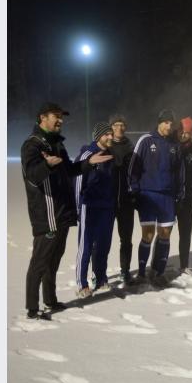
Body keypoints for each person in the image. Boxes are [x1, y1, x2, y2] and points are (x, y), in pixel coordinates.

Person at [21, 102, 112, 319]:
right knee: (40, 260)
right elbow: (32, 174)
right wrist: (47, 165)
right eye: (56, 115)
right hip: (47, 213)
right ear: (43, 117)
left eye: (62, 116)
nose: (60, 119)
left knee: (54, 259)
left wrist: (89, 162)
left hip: (62, 212)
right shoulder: (32, 145)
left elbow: (70, 169)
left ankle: (50, 300)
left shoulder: (57, 145)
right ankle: (32, 308)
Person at [127, 109, 184, 289]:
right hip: (148, 195)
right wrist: (135, 191)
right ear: (159, 123)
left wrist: (179, 192)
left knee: (165, 234)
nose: (169, 126)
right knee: (148, 234)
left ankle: (158, 272)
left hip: (167, 196)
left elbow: (179, 172)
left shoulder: (175, 145)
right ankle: (142, 273)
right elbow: (132, 168)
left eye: (171, 123)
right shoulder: (146, 140)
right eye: (165, 122)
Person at [73, 122, 116, 298]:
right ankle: (82, 283)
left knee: (103, 246)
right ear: (98, 136)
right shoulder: (87, 154)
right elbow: (77, 182)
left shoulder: (110, 155)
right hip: (89, 207)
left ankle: (100, 278)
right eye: (107, 134)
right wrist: (78, 208)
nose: (111, 137)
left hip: (107, 208)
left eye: (111, 134)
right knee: (86, 247)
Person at [107, 114, 135, 284]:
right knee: (103, 240)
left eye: (122, 124)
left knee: (126, 239)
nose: (119, 127)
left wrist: (134, 194)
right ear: (111, 127)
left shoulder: (131, 147)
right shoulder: (106, 146)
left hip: (126, 202)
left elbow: (137, 172)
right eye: (116, 124)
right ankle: (99, 274)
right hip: (108, 202)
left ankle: (125, 270)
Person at [175, 116, 192, 275]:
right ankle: (158, 266)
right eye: (182, 131)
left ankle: (184, 265)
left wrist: (186, 186)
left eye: (187, 132)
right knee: (164, 232)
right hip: (171, 198)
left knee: (185, 233)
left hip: (188, 197)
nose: (184, 135)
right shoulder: (171, 145)